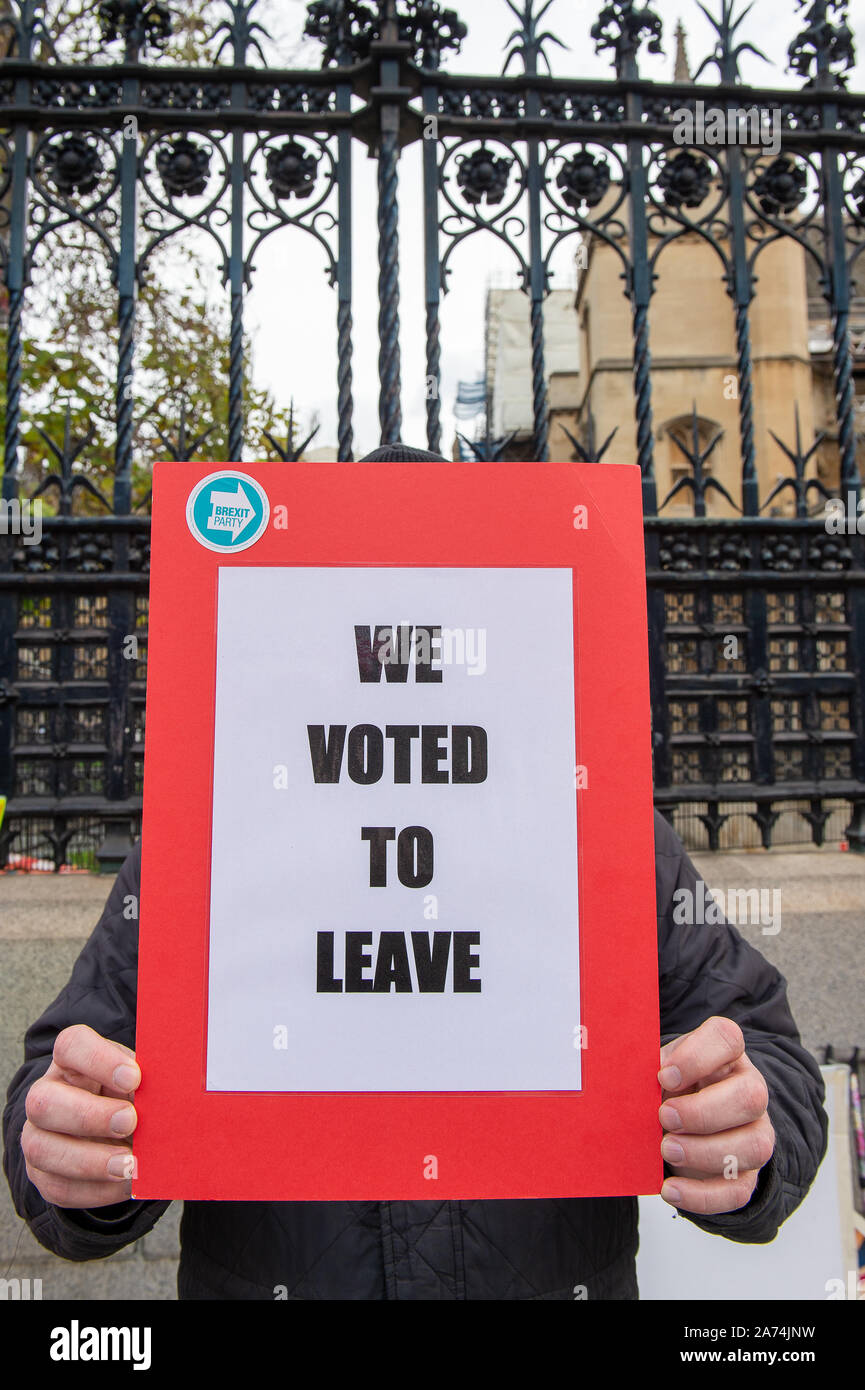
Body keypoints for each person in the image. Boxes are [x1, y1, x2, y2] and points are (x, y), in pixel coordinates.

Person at [3, 445, 827, 1300]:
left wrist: (745, 1126)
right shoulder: (213, 838)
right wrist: (71, 1157)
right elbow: (61, 1080)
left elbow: (773, 1061)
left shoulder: (601, 833)